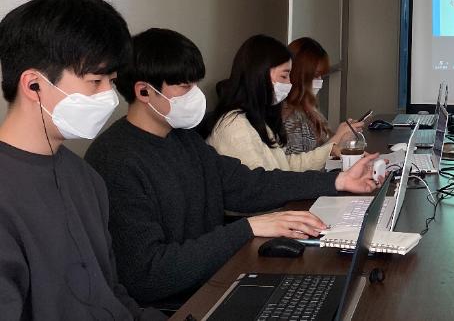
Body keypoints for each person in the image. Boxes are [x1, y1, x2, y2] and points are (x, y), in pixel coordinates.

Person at [85, 28, 380, 310]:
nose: (195, 95)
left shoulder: (184, 139)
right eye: (185, 87)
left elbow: (248, 184)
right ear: (144, 92)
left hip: (215, 278)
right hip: (179, 303)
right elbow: (149, 274)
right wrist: (247, 228)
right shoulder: (115, 160)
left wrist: (337, 181)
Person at [0, 0, 164, 320]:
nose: (110, 98)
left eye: (111, 82)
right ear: (33, 86)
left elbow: (108, 292)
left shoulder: (85, 177)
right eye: (95, 81)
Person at [203, 34, 354, 170]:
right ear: (260, 76)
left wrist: (331, 150)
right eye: (284, 76)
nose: (289, 83)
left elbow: (285, 165)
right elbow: (266, 184)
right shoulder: (236, 127)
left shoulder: (257, 119)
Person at [283, 37, 363, 156]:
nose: (320, 81)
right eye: (316, 75)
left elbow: (323, 147)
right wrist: (338, 136)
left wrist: (343, 137)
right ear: (298, 75)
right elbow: (297, 164)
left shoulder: (310, 108)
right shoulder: (289, 116)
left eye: (321, 75)